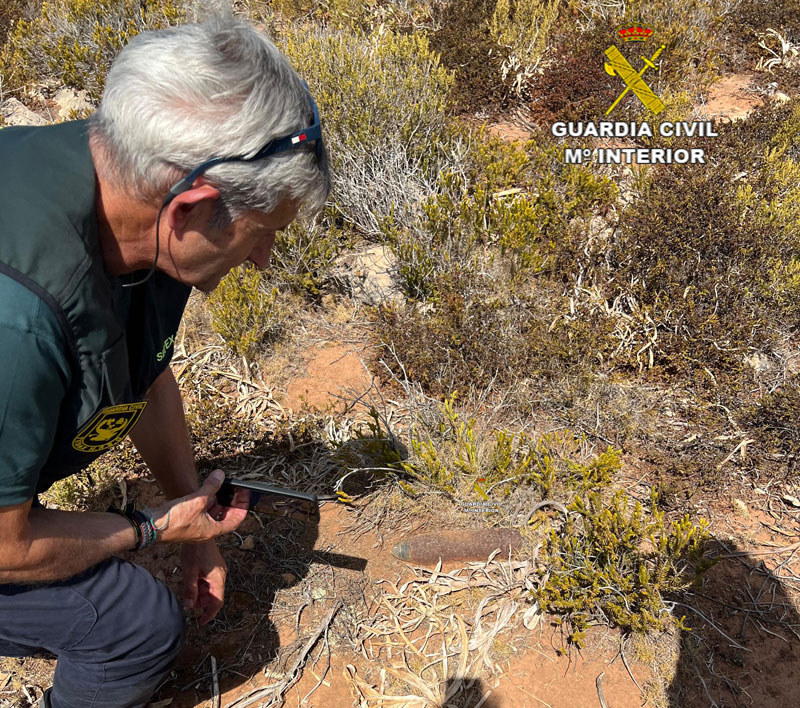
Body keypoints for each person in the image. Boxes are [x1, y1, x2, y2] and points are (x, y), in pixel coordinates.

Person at [0, 13, 330, 708]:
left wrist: (194, 522)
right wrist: (149, 529)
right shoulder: (17, 319)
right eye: (262, 234)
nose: (264, 260)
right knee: (132, 624)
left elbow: (144, 377)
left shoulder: (127, 193)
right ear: (190, 210)